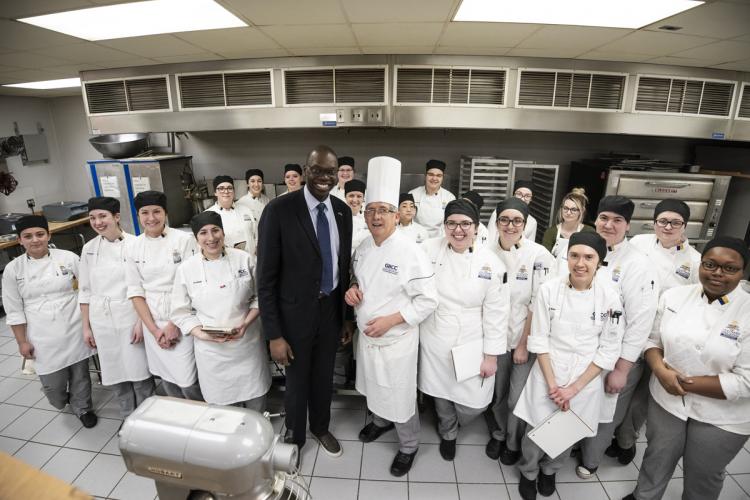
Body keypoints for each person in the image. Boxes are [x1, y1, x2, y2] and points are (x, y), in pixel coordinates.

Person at [626, 237, 750, 500]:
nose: (717, 273)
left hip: (723, 415)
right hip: (666, 400)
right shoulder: (674, 296)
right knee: (656, 457)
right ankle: (644, 496)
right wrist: (660, 371)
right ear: (700, 264)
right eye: (710, 264)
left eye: (730, 268)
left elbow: (747, 381)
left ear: (743, 272)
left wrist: (682, 383)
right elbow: (652, 341)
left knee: (703, 473)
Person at [257, 145, 353, 459]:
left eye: (331, 171)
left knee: (324, 376)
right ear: (305, 170)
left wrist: (345, 318)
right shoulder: (279, 210)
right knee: (297, 380)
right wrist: (274, 334)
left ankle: (320, 427)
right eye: (317, 170)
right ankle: (295, 436)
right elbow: (266, 278)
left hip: (330, 311)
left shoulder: (342, 211)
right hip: (294, 315)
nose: (324, 177)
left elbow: (343, 267)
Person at [346, 156, 439, 477]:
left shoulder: (411, 252)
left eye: (383, 210)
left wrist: (391, 319)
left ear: (397, 217)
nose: (375, 216)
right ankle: (380, 422)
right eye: (370, 210)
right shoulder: (362, 247)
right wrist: (352, 289)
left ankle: (409, 445)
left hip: (396, 341)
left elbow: (428, 301)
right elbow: (357, 279)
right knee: (374, 388)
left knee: (398, 396)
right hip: (368, 339)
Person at [514, 232, 624, 500]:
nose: (580, 263)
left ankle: (550, 470)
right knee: (535, 430)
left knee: (567, 430)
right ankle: (528, 471)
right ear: (567, 257)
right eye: (574, 255)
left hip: (585, 377)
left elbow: (609, 348)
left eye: (589, 257)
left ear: (599, 261)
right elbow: (539, 339)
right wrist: (554, 386)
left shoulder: (610, 298)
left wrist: (573, 389)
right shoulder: (548, 290)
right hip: (548, 370)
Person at [607, 199, 701, 465]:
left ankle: (625, 440)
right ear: (654, 222)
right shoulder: (639, 243)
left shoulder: (694, 262)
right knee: (617, 389)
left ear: (685, 225)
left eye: (675, 222)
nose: (668, 227)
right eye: (662, 221)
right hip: (629, 329)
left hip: (661, 339)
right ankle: (605, 434)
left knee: (641, 399)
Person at [419, 199, 509, 461]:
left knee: (476, 401)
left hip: (473, 337)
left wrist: (491, 355)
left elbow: (496, 313)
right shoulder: (427, 249)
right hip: (435, 333)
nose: (458, 230)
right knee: (440, 392)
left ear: (477, 227)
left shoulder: (491, 263)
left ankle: (459, 422)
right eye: (452, 224)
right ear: (444, 226)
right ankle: (448, 432)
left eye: (465, 224)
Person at [577, 195, 659, 479]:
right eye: (604, 218)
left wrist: (622, 369)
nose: (609, 225)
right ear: (595, 219)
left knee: (605, 413)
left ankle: (590, 460)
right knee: (580, 404)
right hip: (583, 351)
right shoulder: (584, 249)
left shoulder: (638, 264)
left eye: (617, 220)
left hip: (616, 359)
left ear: (628, 225)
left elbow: (640, 322)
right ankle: (575, 446)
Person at [2, 215, 97, 427]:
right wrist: (21, 342)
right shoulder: (14, 270)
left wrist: (88, 324)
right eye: (28, 236)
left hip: (73, 325)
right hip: (41, 333)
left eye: (40, 234)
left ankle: (83, 408)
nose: (35, 240)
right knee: (54, 387)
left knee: (80, 374)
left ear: (48, 235)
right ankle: (64, 400)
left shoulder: (68, 257)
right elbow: (14, 310)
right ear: (20, 240)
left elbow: (87, 289)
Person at [171, 212, 271, 409]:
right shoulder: (187, 269)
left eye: (215, 230)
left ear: (223, 233)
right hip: (211, 351)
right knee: (223, 407)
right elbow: (180, 312)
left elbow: (261, 296)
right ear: (196, 238)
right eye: (203, 233)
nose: (211, 238)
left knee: (256, 398)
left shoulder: (245, 259)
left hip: (247, 343)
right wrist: (201, 334)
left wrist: (245, 324)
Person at [485, 198, 555, 466]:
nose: (510, 225)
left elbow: (539, 303)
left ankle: (513, 442)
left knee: (517, 396)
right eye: (505, 219)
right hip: (495, 337)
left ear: (525, 225)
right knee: (499, 392)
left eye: (517, 221)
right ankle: (500, 433)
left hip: (524, 338)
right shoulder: (487, 251)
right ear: (497, 222)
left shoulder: (539, 255)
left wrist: (524, 343)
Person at [79, 197, 153, 419]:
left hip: (130, 316)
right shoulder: (89, 249)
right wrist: (86, 327)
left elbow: (144, 288)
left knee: (140, 373)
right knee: (115, 374)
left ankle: (148, 419)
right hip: (102, 319)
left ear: (116, 217)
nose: (98, 222)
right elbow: (84, 290)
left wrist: (141, 322)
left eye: (103, 216)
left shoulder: (136, 244)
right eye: (92, 217)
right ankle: (128, 418)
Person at [126, 190, 202, 400]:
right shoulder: (133, 247)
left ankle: (201, 418)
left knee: (188, 381)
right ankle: (179, 419)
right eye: (145, 213)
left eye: (157, 212)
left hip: (181, 318)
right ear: (138, 215)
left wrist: (173, 324)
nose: (151, 218)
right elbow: (135, 292)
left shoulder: (183, 240)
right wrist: (153, 330)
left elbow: (191, 285)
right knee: (166, 378)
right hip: (153, 321)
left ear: (165, 213)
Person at [541, 188, 595, 274]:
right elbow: (544, 260)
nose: (568, 212)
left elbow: (592, 259)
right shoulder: (551, 232)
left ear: (581, 211)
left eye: (573, 209)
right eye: (565, 208)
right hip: (554, 275)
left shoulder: (589, 232)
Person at [206, 175, 258, 253]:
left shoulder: (246, 210)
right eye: (221, 188)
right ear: (215, 192)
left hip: (250, 260)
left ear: (233, 191)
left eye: (229, 188)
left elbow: (256, 235)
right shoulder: (208, 215)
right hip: (226, 261)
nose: (226, 191)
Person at [409, 159, 456, 238]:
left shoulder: (449, 197)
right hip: (416, 237)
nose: (434, 178)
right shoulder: (413, 194)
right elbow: (407, 219)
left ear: (442, 178)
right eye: (431, 174)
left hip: (440, 238)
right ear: (425, 176)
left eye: (438, 175)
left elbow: (451, 222)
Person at [345, 179, 370, 253]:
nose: (355, 200)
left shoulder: (368, 218)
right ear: (345, 197)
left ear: (363, 199)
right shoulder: (338, 217)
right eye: (351, 196)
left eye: (359, 196)